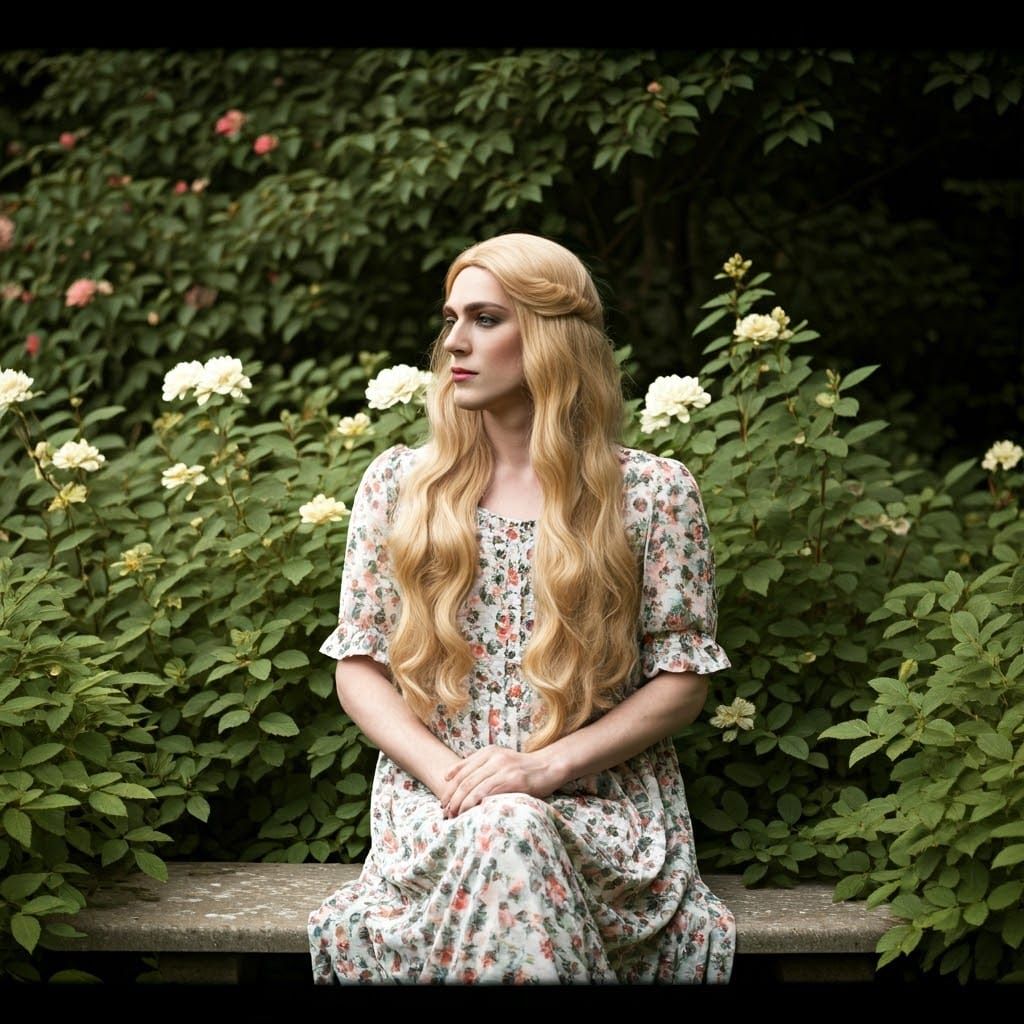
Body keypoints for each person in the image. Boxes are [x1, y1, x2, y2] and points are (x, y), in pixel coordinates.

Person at [308, 232, 735, 985]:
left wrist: (541, 771)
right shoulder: (400, 487)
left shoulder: (651, 493)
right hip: (435, 812)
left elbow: (682, 679)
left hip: (601, 814)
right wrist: (454, 781)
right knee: (500, 826)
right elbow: (359, 668)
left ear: (548, 338)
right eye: (450, 319)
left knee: (514, 825)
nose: (454, 343)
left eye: (485, 319)